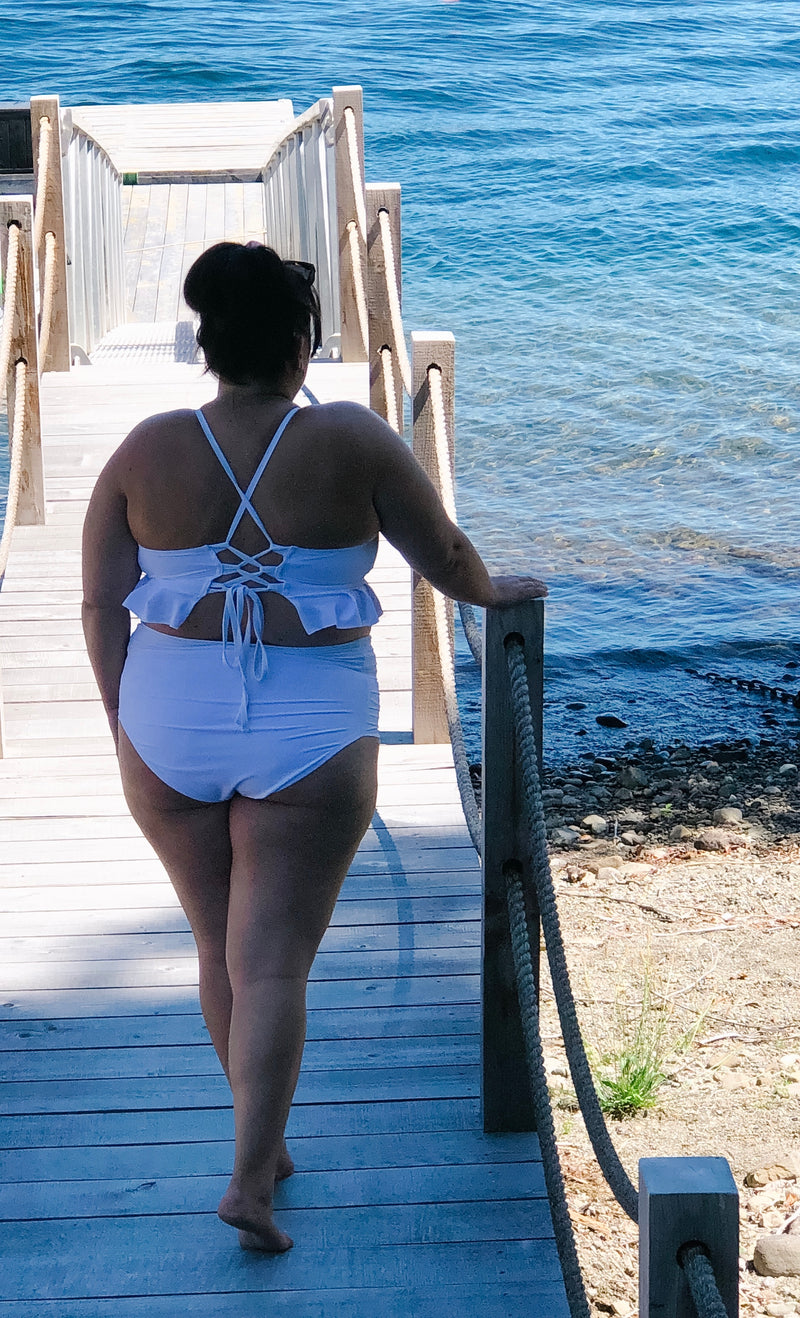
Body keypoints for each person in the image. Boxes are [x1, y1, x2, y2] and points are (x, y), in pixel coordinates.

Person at [81, 241, 547, 1253]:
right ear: (302, 345)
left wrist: (125, 711)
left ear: (208, 346)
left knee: (219, 947)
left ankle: (264, 1139)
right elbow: (449, 560)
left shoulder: (144, 448)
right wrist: (497, 596)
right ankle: (250, 1177)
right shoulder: (353, 440)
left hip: (167, 712)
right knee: (276, 962)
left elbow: (98, 598)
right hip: (309, 721)